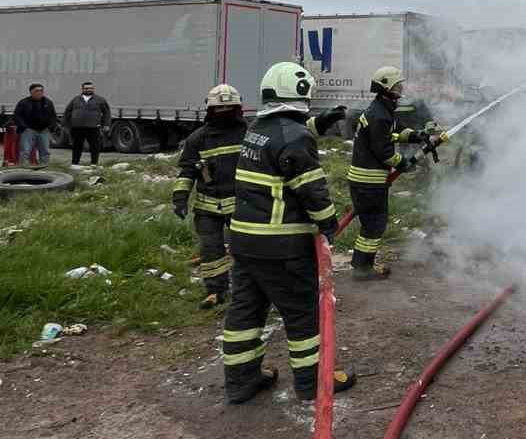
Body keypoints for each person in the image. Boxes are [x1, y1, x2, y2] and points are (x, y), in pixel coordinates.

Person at [223, 61, 357, 404]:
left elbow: (286, 135)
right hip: (281, 245)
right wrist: (328, 224)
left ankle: (241, 381)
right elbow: (312, 189)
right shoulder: (295, 137)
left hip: (244, 241)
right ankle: (313, 382)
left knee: (246, 312)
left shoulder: (257, 128)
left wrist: (321, 122)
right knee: (302, 314)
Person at [347, 67, 444, 280]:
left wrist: (418, 135)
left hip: (367, 180)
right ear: (386, 87)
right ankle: (363, 269)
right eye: (397, 86)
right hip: (368, 181)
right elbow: (383, 152)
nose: (401, 89)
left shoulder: (382, 110)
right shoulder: (379, 115)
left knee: (371, 224)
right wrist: (404, 163)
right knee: (374, 225)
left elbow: (396, 131)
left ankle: (361, 264)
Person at [172, 85, 245, 309]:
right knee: (211, 250)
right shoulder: (198, 139)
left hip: (241, 204)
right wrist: (180, 198)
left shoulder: (249, 133)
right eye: (219, 109)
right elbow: (187, 171)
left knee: (246, 248)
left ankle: (248, 290)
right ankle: (216, 290)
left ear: (237, 109)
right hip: (207, 208)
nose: (224, 113)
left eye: (228, 109)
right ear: (211, 110)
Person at [63, 80, 111, 165]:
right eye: (86, 88)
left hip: (93, 127)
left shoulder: (100, 100)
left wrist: (106, 124)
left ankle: (94, 164)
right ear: (82, 89)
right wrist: (66, 125)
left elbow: (106, 112)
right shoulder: (76, 99)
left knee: (95, 147)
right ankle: (75, 163)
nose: (89, 90)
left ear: (93, 89)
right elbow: (67, 112)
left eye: (91, 88)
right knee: (77, 146)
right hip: (78, 127)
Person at [13, 83, 57, 166]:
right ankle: (24, 168)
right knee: (25, 151)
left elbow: (53, 116)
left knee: (45, 151)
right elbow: (17, 116)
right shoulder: (24, 102)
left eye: (41, 90)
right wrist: (24, 127)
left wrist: (50, 127)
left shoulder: (48, 102)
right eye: (37, 90)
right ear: (31, 92)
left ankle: (44, 167)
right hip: (28, 130)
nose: (39, 92)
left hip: (44, 131)